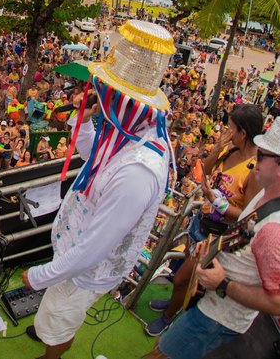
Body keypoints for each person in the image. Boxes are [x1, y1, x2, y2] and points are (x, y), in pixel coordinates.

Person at [21, 21, 176, 359]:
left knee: (61, 320)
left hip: (84, 268)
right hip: (72, 252)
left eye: (103, 87)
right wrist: (84, 116)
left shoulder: (139, 171)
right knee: (56, 315)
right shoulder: (128, 132)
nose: (96, 91)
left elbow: (93, 250)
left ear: (119, 98)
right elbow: (92, 153)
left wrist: (40, 275)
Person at [150, 117, 280, 358]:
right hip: (213, 306)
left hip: (219, 317)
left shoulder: (278, 230)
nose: (254, 161)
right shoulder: (269, 195)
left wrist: (223, 284)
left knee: (162, 354)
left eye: (262, 155)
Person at [146, 104, 264, 336]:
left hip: (219, 234)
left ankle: (169, 317)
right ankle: (173, 303)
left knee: (182, 278)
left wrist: (219, 202)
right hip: (202, 223)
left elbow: (248, 216)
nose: (226, 132)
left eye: (231, 128)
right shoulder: (230, 150)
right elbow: (205, 173)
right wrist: (216, 151)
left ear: (243, 132)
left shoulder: (254, 169)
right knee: (184, 273)